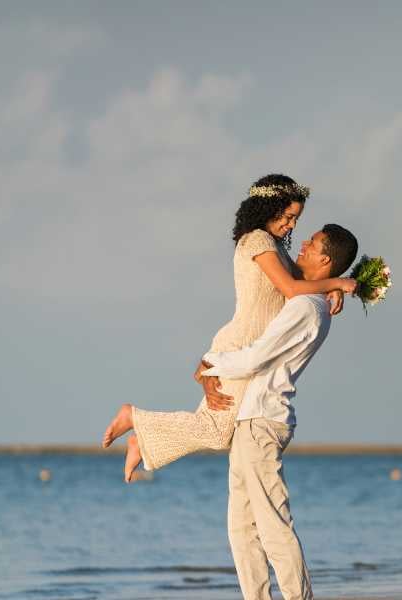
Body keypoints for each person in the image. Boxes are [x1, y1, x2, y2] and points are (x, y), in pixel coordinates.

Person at [101, 174, 356, 481]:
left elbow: (303, 283)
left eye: (295, 219)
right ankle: (135, 421)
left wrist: (331, 289)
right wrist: (339, 282)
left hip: (248, 346)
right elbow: (290, 288)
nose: (292, 226)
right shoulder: (257, 240)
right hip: (239, 344)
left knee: (215, 429)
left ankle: (140, 437)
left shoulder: (274, 247)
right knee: (216, 430)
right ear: (269, 208)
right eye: (288, 217)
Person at [197, 224, 359, 600]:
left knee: (272, 524)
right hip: (251, 419)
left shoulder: (306, 307)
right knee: (242, 527)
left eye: (312, 242)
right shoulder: (311, 299)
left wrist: (210, 362)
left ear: (325, 259)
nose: (301, 243)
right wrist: (336, 285)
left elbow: (257, 357)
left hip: (262, 421)